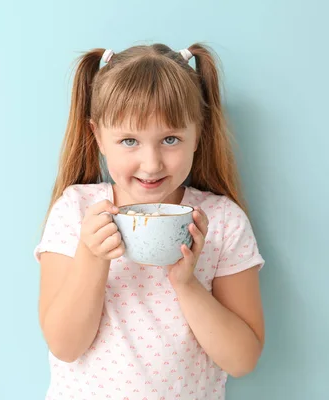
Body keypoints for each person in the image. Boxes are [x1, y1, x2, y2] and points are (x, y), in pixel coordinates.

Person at [33, 43, 265, 399]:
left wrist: (187, 284)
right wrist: (92, 258)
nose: (152, 163)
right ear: (98, 137)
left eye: (170, 139)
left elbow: (242, 359)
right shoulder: (76, 211)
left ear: (198, 134)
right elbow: (65, 346)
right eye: (129, 140)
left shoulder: (221, 222)